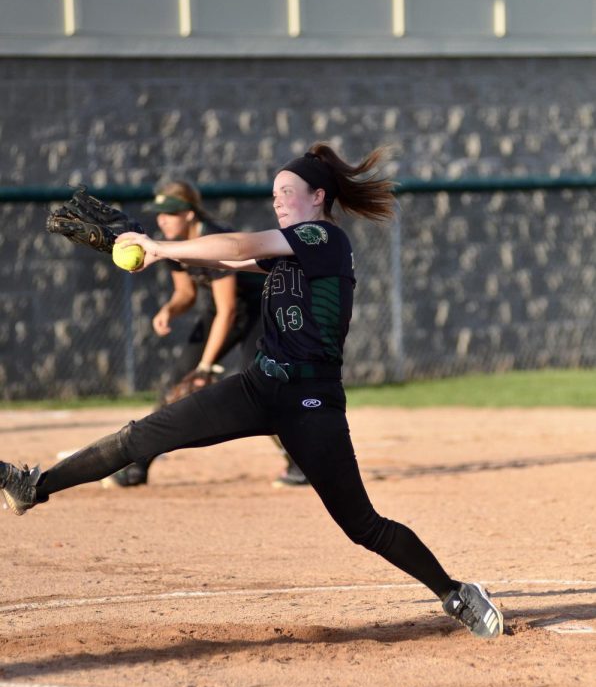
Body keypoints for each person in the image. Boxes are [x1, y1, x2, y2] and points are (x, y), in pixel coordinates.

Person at [0, 142, 503, 639]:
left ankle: (456, 593)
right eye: (274, 193)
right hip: (258, 387)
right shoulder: (292, 251)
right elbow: (228, 261)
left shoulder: (325, 239)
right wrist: (138, 244)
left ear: (319, 198)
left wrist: (161, 248)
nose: (279, 200)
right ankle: (32, 486)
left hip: (312, 405)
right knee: (141, 437)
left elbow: (239, 246)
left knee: (362, 525)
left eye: (288, 192)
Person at [105, 180, 307, 488]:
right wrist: (169, 310)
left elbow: (229, 310)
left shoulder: (213, 237)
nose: (162, 220)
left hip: (256, 314)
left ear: (189, 214)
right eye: (159, 214)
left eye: (170, 213)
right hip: (218, 312)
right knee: (174, 385)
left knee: (262, 387)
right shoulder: (172, 244)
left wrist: (205, 366)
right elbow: (185, 294)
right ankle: (138, 466)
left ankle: (299, 464)